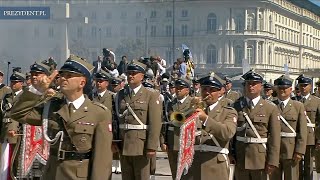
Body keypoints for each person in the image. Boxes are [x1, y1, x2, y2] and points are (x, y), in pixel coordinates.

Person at [9, 55, 113, 180]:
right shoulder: (52, 106)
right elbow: (18, 114)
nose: (63, 78)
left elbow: (102, 159)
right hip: (52, 174)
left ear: (82, 83)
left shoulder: (98, 113)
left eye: (69, 76)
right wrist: (37, 91)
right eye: (62, 75)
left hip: (78, 175)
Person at [181, 73, 237, 180]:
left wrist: (205, 119)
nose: (207, 93)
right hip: (194, 165)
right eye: (204, 89)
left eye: (212, 90)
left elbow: (227, 132)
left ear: (220, 92)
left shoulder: (228, 111)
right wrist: (189, 110)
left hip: (215, 164)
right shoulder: (194, 110)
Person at [115, 60, 162, 180]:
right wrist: (115, 141)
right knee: (126, 177)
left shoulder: (150, 95)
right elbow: (116, 119)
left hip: (141, 145)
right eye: (129, 73)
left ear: (142, 76)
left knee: (141, 176)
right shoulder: (120, 95)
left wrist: (151, 146)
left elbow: (155, 123)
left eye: (134, 73)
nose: (131, 75)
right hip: (123, 143)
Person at [233, 69, 281, 180]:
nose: (251, 86)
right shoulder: (236, 106)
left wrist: (272, 161)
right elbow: (231, 134)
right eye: (248, 84)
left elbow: (274, 137)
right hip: (240, 156)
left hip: (260, 158)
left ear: (261, 86)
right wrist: (230, 153)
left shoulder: (270, 108)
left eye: (254, 84)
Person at [270, 75, 307, 180]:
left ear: (290, 89)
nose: (282, 90)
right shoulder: (270, 105)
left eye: (285, 88)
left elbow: (302, 131)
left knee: (291, 177)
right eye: (280, 88)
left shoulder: (298, 106)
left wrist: (299, 151)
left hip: (291, 150)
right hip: (274, 150)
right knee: (274, 177)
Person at [160, 78, 193, 179]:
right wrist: (163, 141)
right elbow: (164, 123)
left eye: (181, 88)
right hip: (172, 142)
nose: (178, 90)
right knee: (175, 173)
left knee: (187, 173)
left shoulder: (192, 103)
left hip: (186, 143)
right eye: (177, 88)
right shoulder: (170, 103)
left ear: (187, 90)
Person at [296, 74, 320, 180]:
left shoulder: (317, 101)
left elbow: (319, 122)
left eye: (305, 85)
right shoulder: (293, 100)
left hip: (311, 136)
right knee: (297, 164)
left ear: (310, 86)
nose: (303, 87)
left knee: (309, 164)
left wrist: (318, 139)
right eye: (301, 85)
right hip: (296, 136)